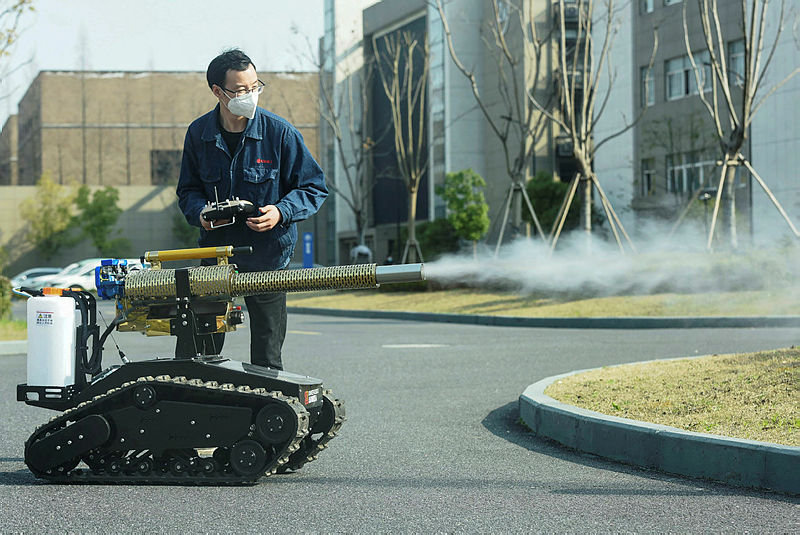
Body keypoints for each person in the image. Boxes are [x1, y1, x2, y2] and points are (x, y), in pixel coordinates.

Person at [176, 49, 328, 370]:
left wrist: (281, 212)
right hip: (217, 258)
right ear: (218, 92)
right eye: (242, 90)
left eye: (256, 86)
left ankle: (265, 414)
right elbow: (187, 191)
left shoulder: (280, 133)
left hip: (268, 258)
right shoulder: (199, 134)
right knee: (199, 351)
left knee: (266, 355)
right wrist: (201, 214)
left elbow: (314, 187)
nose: (251, 95)